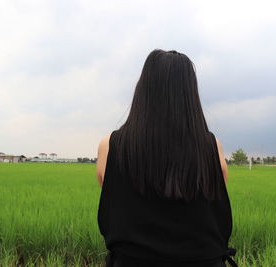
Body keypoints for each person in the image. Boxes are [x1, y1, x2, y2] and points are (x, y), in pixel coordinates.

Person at [96, 49, 237, 267]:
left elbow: (116, 197)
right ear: (190, 94)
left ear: (142, 90)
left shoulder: (110, 146)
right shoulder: (212, 147)